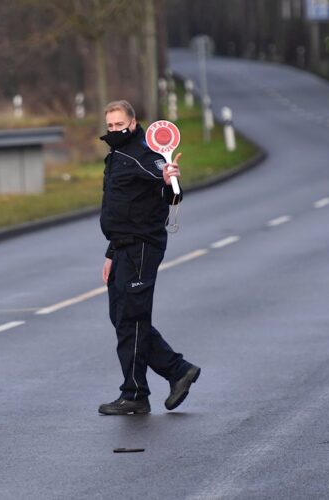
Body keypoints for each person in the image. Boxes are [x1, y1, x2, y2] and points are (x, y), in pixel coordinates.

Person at [98, 100, 200, 415]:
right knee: (122, 317)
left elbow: (172, 192)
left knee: (134, 319)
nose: (114, 130)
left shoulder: (146, 155)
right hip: (122, 247)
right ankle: (177, 370)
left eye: (119, 124)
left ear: (132, 122)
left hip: (142, 246)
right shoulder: (116, 154)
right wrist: (111, 253)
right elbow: (121, 208)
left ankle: (135, 394)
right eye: (110, 125)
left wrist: (171, 180)